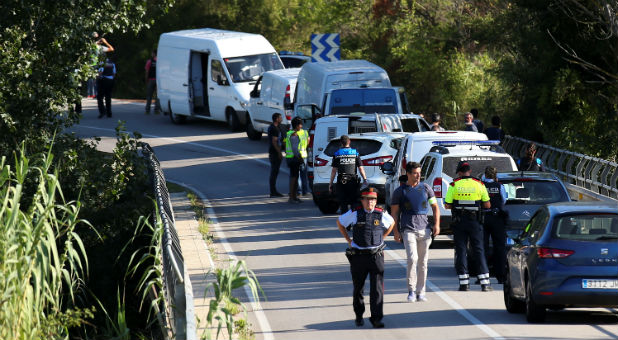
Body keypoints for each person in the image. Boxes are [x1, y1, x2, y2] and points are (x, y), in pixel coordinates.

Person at [336, 187, 395, 328]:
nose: (371, 202)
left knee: (377, 289)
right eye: (367, 199)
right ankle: (359, 315)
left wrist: (383, 238)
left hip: (376, 256)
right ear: (362, 201)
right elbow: (340, 222)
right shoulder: (355, 213)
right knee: (358, 289)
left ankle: (376, 318)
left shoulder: (381, 213)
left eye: (373, 199)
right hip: (359, 256)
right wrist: (349, 241)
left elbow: (392, 223)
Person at [391, 162, 440, 302]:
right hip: (408, 230)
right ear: (408, 174)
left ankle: (421, 292)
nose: (418, 175)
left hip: (425, 230)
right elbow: (394, 213)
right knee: (412, 259)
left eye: (419, 172)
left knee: (423, 262)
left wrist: (437, 224)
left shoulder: (426, 188)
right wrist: (395, 231)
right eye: (415, 173)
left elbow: (435, 207)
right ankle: (411, 290)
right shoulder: (400, 191)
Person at [444, 161, 493, 292]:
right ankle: (485, 283)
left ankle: (464, 284)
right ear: (470, 171)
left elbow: (447, 205)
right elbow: (488, 205)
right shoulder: (479, 184)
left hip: (459, 222)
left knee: (461, 251)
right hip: (475, 222)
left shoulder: (454, 185)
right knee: (479, 250)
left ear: (459, 172)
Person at [329, 135, 369, 214]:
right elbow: (360, 168)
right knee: (354, 201)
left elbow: (334, 170)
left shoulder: (337, 154)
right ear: (349, 142)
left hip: (341, 181)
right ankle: (354, 221)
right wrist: (365, 179)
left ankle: (346, 223)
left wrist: (330, 184)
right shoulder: (355, 153)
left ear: (341, 143)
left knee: (343, 203)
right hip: (353, 181)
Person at [481, 166, 507, 283]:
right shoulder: (499, 186)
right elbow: (504, 200)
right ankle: (500, 276)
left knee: (482, 247)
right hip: (497, 218)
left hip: (483, 217)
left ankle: (483, 276)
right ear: (495, 176)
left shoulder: (481, 185)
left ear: (485, 175)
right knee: (499, 248)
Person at [285, 117, 308, 203]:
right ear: (297, 125)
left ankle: (294, 197)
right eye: (300, 124)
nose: (301, 126)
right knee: (294, 178)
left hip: (291, 158)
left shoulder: (289, 133)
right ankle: (292, 197)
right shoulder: (294, 135)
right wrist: (300, 158)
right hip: (294, 159)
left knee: (294, 177)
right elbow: (295, 149)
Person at [268, 113, 285, 197]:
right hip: (274, 153)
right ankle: (273, 191)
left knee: (275, 172)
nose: (282, 119)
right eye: (280, 117)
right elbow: (274, 142)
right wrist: (279, 153)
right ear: (277, 119)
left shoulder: (274, 127)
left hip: (274, 152)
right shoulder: (274, 129)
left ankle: (273, 191)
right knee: (274, 172)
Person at [144, 49, 161, 114]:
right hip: (158, 81)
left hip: (151, 80)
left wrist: (146, 79)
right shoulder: (160, 61)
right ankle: (156, 110)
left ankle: (147, 110)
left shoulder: (149, 61)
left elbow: (147, 71)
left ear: (154, 54)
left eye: (152, 53)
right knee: (158, 96)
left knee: (149, 95)